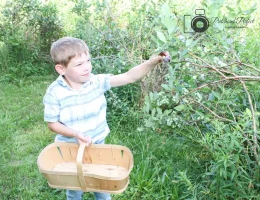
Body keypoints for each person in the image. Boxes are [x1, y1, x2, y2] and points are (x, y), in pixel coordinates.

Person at [43, 36, 170, 200]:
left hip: (97, 145)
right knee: (74, 188)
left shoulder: (96, 82)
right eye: (79, 64)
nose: (87, 67)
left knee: (102, 184)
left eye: (88, 61)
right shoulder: (55, 92)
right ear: (61, 69)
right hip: (70, 149)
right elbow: (52, 123)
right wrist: (75, 134)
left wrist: (151, 62)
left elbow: (129, 76)